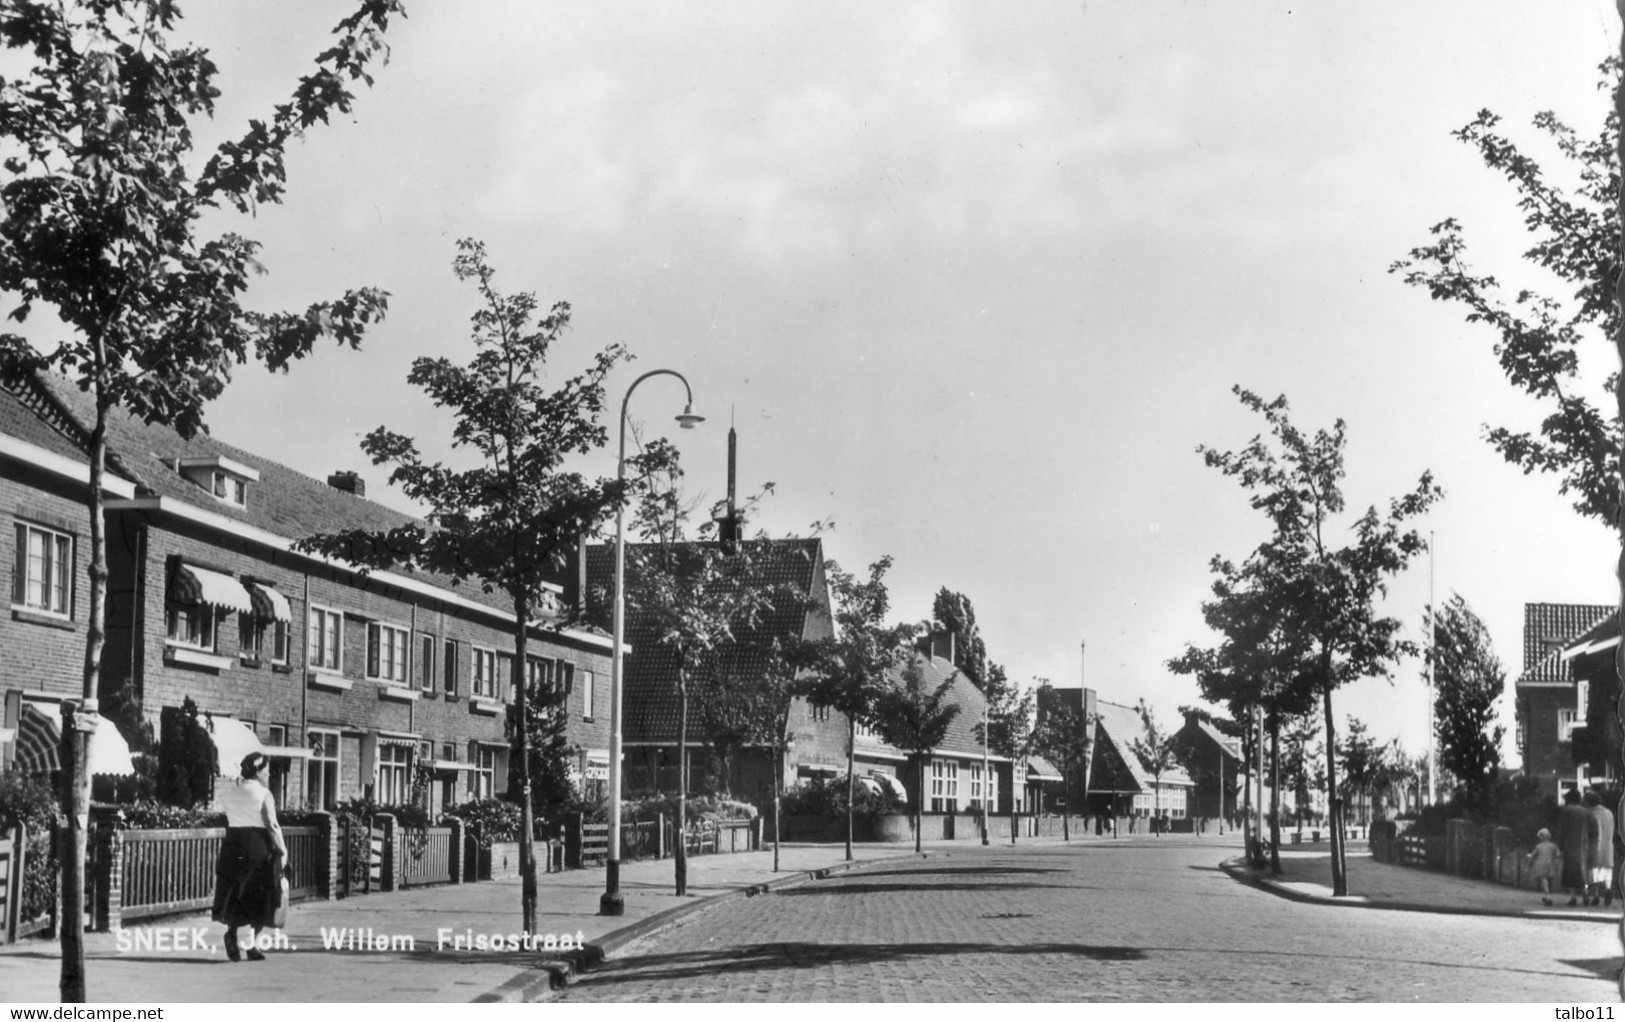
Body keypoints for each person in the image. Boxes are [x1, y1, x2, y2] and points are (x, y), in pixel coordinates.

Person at [212, 752, 287, 962]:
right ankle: (252, 945)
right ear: (260, 771)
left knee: (236, 893)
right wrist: (282, 849)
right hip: (257, 849)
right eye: (267, 769)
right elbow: (272, 824)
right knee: (259, 896)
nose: (268, 773)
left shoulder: (231, 793)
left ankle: (232, 934)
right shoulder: (264, 794)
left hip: (232, 846)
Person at [1557, 787, 1592, 907]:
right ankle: (1585, 892)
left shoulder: (1567, 811)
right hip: (1583, 845)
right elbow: (1592, 829)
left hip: (1570, 845)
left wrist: (1560, 845)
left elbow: (1562, 830)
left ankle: (1573, 898)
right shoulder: (1586, 811)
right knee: (1582, 871)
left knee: (1570, 872)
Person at [1584, 789, 1615, 908]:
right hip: (1608, 847)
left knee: (1594, 872)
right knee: (1607, 871)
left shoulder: (1589, 813)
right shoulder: (1608, 812)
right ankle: (1608, 890)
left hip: (1594, 847)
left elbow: (1587, 832)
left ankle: (1596, 896)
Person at [1524, 827, 1561, 907]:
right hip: (1551, 864)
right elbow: (1558, 855)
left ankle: (1548, 897)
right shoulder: (1553, 846)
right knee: (1549, 881)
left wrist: (1529, 864)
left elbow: (1532, 856)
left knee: (1544, 880)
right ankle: (1548, 896)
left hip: (1541, 865)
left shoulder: (1539, 846)